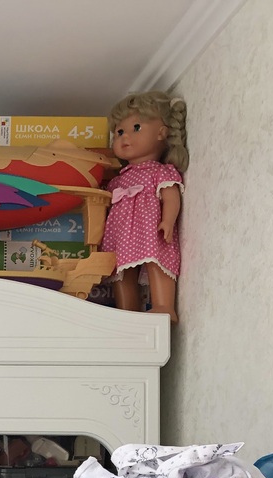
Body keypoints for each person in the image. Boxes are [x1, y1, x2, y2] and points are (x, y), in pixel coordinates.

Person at [101, 91, 188, 321]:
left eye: (136, 128)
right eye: (119, 132)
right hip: (121, 234)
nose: (125, 137)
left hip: (150, 229)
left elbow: (171, 197)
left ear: (161, 132)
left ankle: (163, 305)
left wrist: (168, 221)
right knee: (121, 271)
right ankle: (127, 312)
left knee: (155, 261)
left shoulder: (160, 172)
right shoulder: (118, 180)